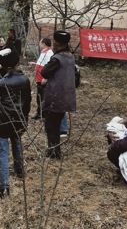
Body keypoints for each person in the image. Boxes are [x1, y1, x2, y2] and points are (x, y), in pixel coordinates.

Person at [0, 48, 31, 198]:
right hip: (19, 118)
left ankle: (3, 186)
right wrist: (25, 118)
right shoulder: (25, 80)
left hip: (2, 120)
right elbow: (27, 102)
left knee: (2, 151)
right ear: (17, 62)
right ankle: (20, 171)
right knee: (17, 143)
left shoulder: (0, 83)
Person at [41, 30, 76, 159]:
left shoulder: (57, 59)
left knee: (51, 126)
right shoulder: (70, 56)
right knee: (55, 125)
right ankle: (55, 151)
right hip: (67, 97)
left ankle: (54, 153)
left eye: (55, 43)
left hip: (55, 98)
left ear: (57, 43)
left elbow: (44, 72)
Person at [29, 38, 53, 120]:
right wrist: (35, 64)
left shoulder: (49, 53)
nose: (39, 44)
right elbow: (42, 63)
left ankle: (43, 114)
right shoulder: (44, 52)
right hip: (39, 78)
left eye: (40, 42)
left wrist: (46, 78)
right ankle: (39, 113)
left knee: (43, 97)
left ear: (44, 44)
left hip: (43, 79)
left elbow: (49, 67)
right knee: (39, 97)